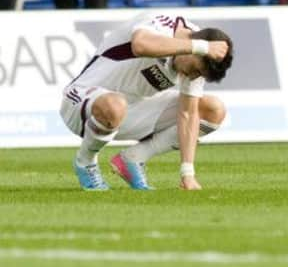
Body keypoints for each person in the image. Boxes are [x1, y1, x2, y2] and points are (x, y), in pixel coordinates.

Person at [59, 12, 234, 191]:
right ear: (195, 49)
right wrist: (199, 47)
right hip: (81, 101)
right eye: (195, 70)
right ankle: (85, 162)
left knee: (213, 110)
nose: (193, 76)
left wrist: (187, 174)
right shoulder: (162, 23)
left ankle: (133, 158)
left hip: (130, 109)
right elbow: (140, 45)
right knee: (115, 104)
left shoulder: (199, 54)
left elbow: (188, 114)